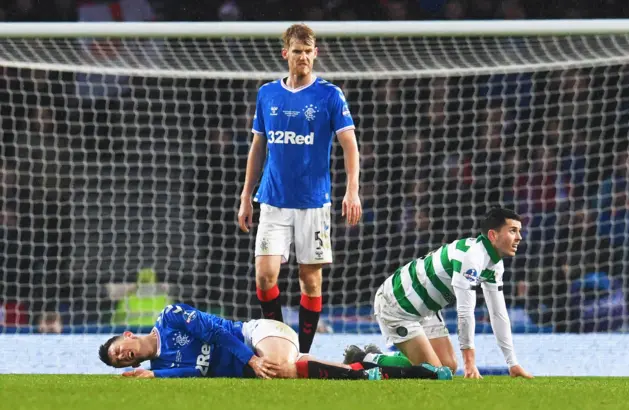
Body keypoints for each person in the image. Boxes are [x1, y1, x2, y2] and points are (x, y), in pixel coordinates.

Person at [237, 23, 362, 354]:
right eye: (297, 51)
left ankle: (303, 354)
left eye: (308, 51)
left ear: (315, 54)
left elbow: (350, 144)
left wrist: (352, 190)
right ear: (286, 54)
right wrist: (245, 195)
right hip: (273, 201)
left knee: (311, 281)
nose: (303, 57)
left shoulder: (329, 95)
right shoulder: (267, 94)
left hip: (313, 204)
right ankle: (279, 344)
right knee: (265, 276)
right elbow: (258, 147)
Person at [371, 207, 534, 379]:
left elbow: (498, 313)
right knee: (432, 373)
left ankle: (391, 357)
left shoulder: (494, 264)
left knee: (448, 367)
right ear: (493, 235)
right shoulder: (471, 257)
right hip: (398, 304)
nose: (519, 237)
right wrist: (470, 363)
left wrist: (512, 363)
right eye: (513, 231)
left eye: (519, 231)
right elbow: (465, 312)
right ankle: (369, 359)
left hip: (426, 310)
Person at [98, 303, 452, 380]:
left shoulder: (170, 317)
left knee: (277, 366)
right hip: (252, 363)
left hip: (257, 334)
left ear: (127, 335)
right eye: (120, 362)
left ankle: (365, 374)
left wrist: (251, 359)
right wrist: (156, 378)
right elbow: (198, 372)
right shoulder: (162, 366)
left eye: (118, 351)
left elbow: (218, 331)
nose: (123, 357)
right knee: (286, 372)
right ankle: (374, 363)